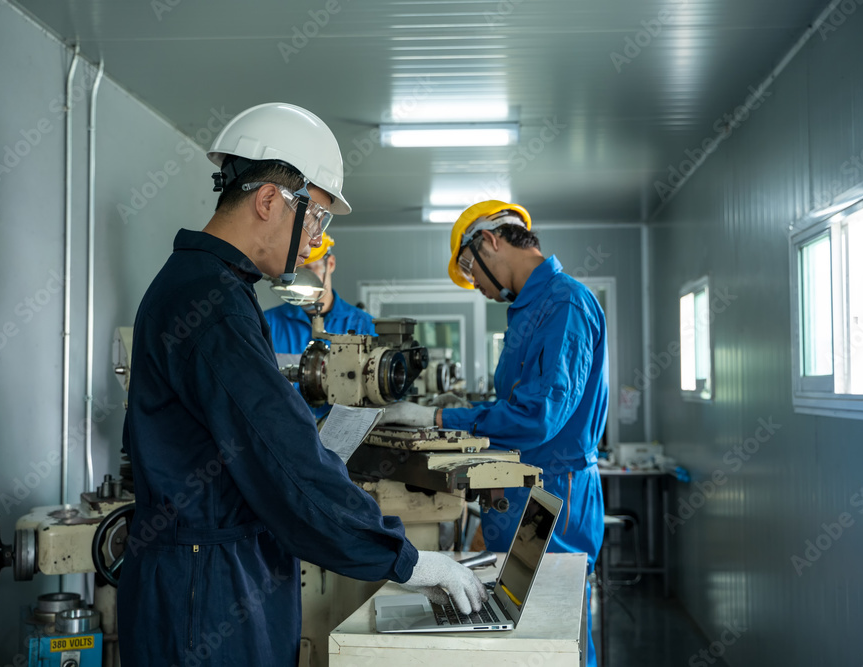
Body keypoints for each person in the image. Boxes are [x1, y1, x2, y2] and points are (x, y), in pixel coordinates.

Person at [117, 103, 486, 666]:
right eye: (316, 217)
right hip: (207, 589)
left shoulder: (211, 288)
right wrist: (407, 561)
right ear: (268, 200)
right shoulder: (212, 304)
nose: (315, 238)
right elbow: (283, 460)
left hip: (209, 570)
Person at [377, 200, 607, 666]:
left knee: (555, 630)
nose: (476, 286)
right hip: (523, 487)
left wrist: (438, 420)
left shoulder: (564, 302)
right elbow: (516, 407)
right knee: (517, 626)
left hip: (552, 494)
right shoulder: (528, 310)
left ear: (490, 240)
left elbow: (539, 416)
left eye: (470, 270)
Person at [264, 233, 376, 419]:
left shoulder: (363, 325)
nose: (300, 280)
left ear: (330, 264)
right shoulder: (267, 324)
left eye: (308, 269)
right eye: (295, 274)